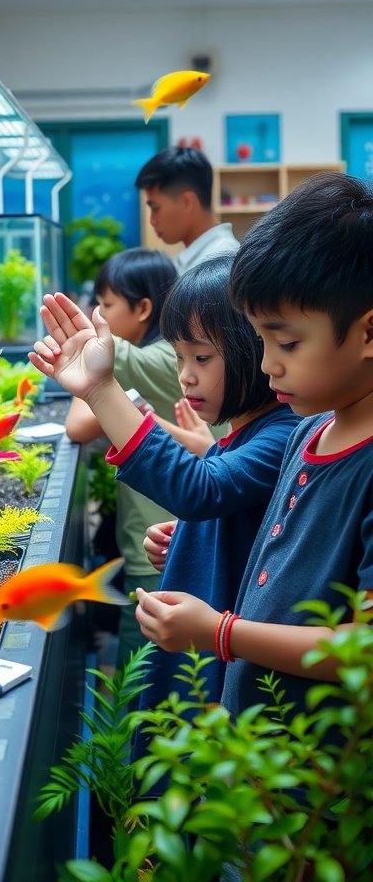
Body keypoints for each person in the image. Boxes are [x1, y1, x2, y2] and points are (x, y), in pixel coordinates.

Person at [134, 172, 373, 720]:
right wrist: (194, 542)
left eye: (287, 342)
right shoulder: (310, 433)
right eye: (261, 341)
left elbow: (363, 649)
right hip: (252, 750)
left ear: (368, 333)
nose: (267, 365)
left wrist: (222, 633)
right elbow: (275, 561)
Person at [30, 255, 299, 706]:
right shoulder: (245, 434)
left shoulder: (283, 432)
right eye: (178, 356)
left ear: (258, 350)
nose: (185, 375)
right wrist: (193, 539)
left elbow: (201, 489)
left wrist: (100, 389)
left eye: (201, 357)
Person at [66, 247, 198, 668]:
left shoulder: (150, 359)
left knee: (140, 662)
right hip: (157, 530)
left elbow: (78, 426)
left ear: (143, 308)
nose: (97, 313)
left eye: (105, 305)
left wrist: (92, 365)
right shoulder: (155, 356)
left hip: (157, 537)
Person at [136, 146, 239, 276]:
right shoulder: (201, 258)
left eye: (156, 208)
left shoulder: (218, 263)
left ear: (187, 202)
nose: (152, 221)